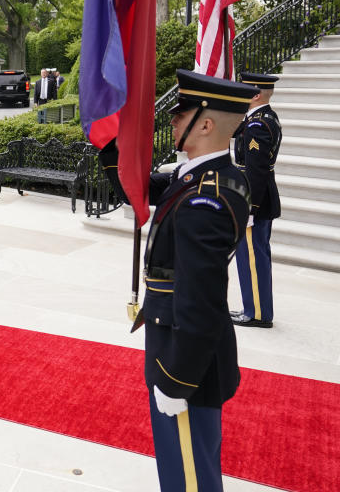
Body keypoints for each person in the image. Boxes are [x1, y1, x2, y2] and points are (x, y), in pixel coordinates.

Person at [98, 69, 256, 492]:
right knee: (187, 467)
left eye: (180, 113)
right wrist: (111, 139)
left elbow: (200, 304)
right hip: (182, 348)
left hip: (186, 363)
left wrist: (176, 381)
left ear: (205, 124)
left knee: (189, 477)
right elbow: (144, 189)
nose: (171, 119)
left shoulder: (206, 200)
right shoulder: (205, 176)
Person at [231, 73, 282, 329]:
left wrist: (250, 208)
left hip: (254, 199)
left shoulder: (257, 126)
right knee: (256, 255)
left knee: (251, 257)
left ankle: (257, 313)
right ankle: (256, 309)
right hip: (259, 198)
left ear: (256, 95)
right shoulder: (263, 117)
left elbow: (256, 171)